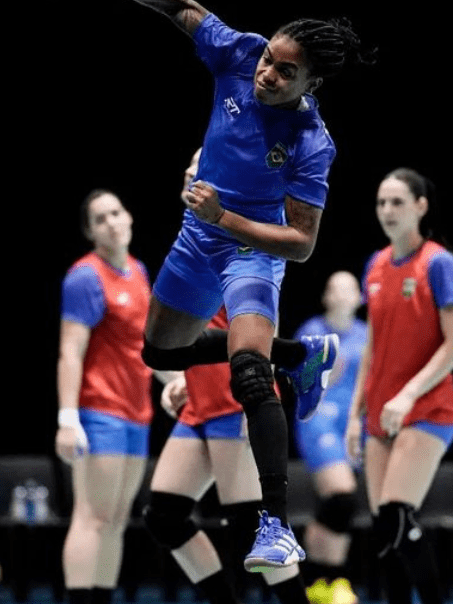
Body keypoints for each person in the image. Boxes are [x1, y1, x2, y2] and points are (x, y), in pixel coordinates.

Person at [31, 0, 376, 570]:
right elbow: (170, 0)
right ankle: (300, 355)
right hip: (196, 241)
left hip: (251, 251)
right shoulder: (238, 55)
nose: (268, 72)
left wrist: (227, 216)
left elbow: (301, 244)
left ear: (314, 83)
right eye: (270, 58)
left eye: (286, 70)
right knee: (160, 350)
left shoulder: (311, 143)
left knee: (248, 374)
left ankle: (275, 526)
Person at [143, 150, 309, 604]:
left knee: (251, 532)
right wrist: (179, 377)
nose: (191, 172)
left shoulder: (238, 236)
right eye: (189, 166)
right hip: (199, 397)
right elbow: (189, 328)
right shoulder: (190, 236)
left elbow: (246, 326)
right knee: (164, 517)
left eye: (203, 166)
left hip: (235, 397)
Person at [345, 168, 453, 604]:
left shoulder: (439, 263)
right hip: (381, 412)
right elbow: (372, 349)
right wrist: (355, 416)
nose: (387, 211)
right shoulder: (375, 266)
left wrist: (410, 392)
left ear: (421, 205)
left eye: (397, 201)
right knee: (384, 532)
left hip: (428, 409)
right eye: (381, 202)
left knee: (396, 515)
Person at [55, 189, 154, 604]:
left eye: (116, 211)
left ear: (129, 216)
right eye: (100, 218)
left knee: (115, 520)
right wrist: (67, 418)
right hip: (101, 411)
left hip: (139, 413)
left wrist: (176, 381)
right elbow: (70, 351)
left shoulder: (138, 270)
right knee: (91, 517)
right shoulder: (84, 276)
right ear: (90, 232)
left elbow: (141, 348)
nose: (112, 221)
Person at [292, 271, 367, 604]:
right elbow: (297, 381)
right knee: (341, 495)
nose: (341, 296)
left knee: (340, 505)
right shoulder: (311, 332)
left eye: (349, 290)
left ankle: (320, 583)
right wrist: (319, 373)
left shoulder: (368, 336)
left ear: (360, 298)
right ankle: (334, 579)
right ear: (325, 297)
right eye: (334, 289)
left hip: (353, 427)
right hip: (318, 422)